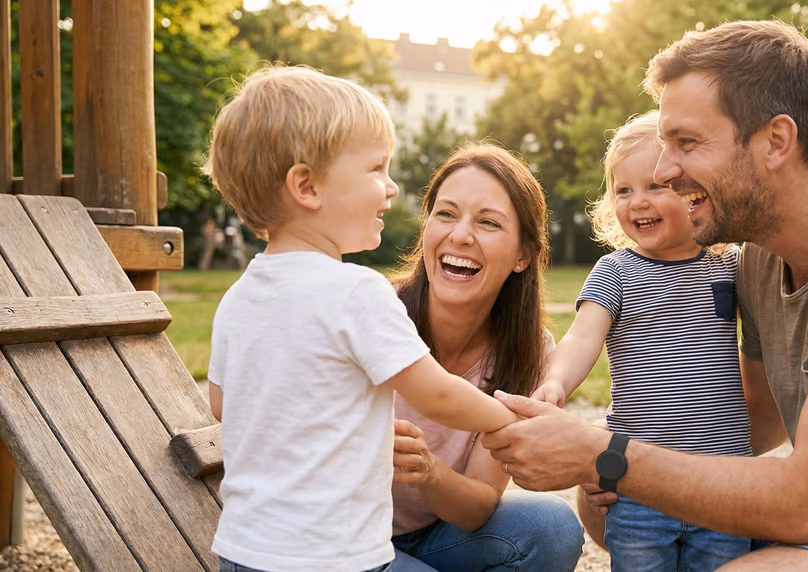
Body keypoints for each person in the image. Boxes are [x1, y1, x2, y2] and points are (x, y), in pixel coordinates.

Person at [482, 20, 808, 572]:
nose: (665, 171)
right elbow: (753, 427)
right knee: (616, 517)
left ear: (776, 141)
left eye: (686, 143)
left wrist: (605, 454)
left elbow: (807, 506)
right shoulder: (762, 257)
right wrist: (617, 466)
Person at [203, 66, 519, 572]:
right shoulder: (357, 291)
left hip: (244, 549)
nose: (391, 188)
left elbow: (222, 403)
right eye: (376, 170)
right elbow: (435, 393)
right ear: (307, 186)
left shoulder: (239, 297)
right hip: (333, 555)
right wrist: (512, 420)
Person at [531, 111, 770, 571]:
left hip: (722, 480)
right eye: (624, 190)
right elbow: (584, 335)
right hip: (637, 485)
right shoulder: (617, 272)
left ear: (696, 191)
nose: (638, 201)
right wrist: (556, 381)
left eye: (656, 186)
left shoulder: (730, 265)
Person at [387, 144, 584, 572]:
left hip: (436, 534)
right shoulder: (377, 310)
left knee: (552, 528)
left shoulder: (530, 352)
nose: (460, 235)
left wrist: (428, 471)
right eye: (445, 214)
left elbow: (477, 506)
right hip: (345, 536)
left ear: (522, 257)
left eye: (488, 222)